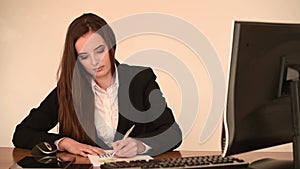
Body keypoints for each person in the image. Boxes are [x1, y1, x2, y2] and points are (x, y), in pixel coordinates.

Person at [12, 13, 182, 158]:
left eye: (99, 51)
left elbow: (173, 133)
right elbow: (22, 133)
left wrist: (140, 145)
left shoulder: (140, 80)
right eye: (84, 56)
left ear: (111, 46)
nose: (95, 62)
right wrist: (64, 143)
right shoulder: (68, 89)